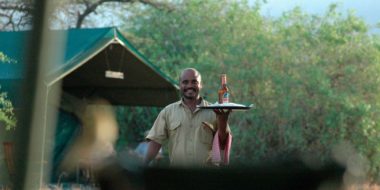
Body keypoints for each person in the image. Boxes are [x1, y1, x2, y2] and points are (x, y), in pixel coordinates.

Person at [144, 68, 232, 167]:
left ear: (201, 85)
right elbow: (156, 142)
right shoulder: (167, 112)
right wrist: (143, 165)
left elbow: (223, 143)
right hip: (178, 177)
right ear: (179, 85)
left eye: (194, 82)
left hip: (206, 177)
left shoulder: (215, 111)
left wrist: (223, 120)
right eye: (185, 82)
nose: (190, 85)